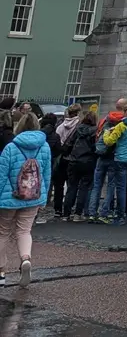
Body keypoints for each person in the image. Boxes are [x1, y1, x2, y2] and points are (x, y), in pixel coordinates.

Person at [0, 112, 52, 287]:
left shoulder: (11, 147)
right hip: (33, 197)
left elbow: (2, 175)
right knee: (24, 231)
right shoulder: (44, 147)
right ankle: (25, 260)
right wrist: (44, 197)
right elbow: (46, 174)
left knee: (3, 232)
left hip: (9, 197)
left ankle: (1, 272)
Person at [85, 103, 125, 223]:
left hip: (100, 157)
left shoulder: (104, 125)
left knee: (96, 186)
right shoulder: (119, 128)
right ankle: (104, 213)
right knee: (110, 186)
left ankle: (92, 213)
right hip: (112, 158)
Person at [63, 105, 98, 222]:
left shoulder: (78, 129)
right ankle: (78, 214)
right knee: (83, 188)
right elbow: (95, 147)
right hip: (87, 161)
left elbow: (70, 143)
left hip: (74, 160)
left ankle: (66, 214)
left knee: (71, 187)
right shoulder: (94, 131)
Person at [53, 105, 81, 217]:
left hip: (61, 156)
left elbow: (57, 140)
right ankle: (68, 208)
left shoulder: (60, 126)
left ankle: (57, 209)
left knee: (58, 185)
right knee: (71, 184)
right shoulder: (78, 126)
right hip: (72, 156)